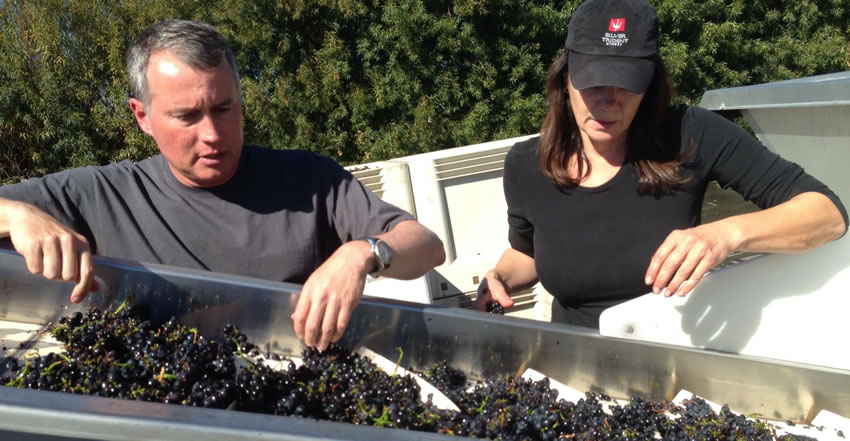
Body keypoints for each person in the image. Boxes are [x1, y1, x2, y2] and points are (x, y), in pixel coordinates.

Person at [0, 19, 445, 351]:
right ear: (143, 117)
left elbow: (425, 244)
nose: (212, 133)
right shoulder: (100, 194)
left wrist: (361, 254)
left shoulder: (308, 179)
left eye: (224, 108)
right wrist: (17, 214)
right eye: (187, 116)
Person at [476, 0, 848, 328]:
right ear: (566, 78)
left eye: (625, 84)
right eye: (592, 83)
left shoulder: (691, 134)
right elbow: (527, 254)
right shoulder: (526, 165)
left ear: (649, 83)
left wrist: (726, 235)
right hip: (574, 359)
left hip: (673, 354)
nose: (608, 100)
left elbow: (828, 214)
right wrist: (501, 277)